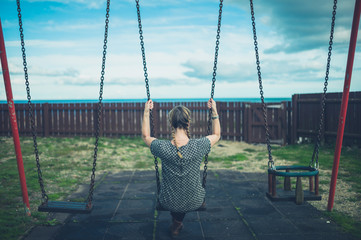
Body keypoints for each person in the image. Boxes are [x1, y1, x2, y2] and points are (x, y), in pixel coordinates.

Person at [142, 98, 221, 236]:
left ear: (171, 124)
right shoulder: (199, 146)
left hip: (167, 200)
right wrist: (214, 110)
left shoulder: (162, 147)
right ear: (188, 123)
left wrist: (146, 112)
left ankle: (177, 223)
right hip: (195, 200)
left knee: (176, 197)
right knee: (182, 196)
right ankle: (177, 223)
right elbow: (217, 135)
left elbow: (145, 136)